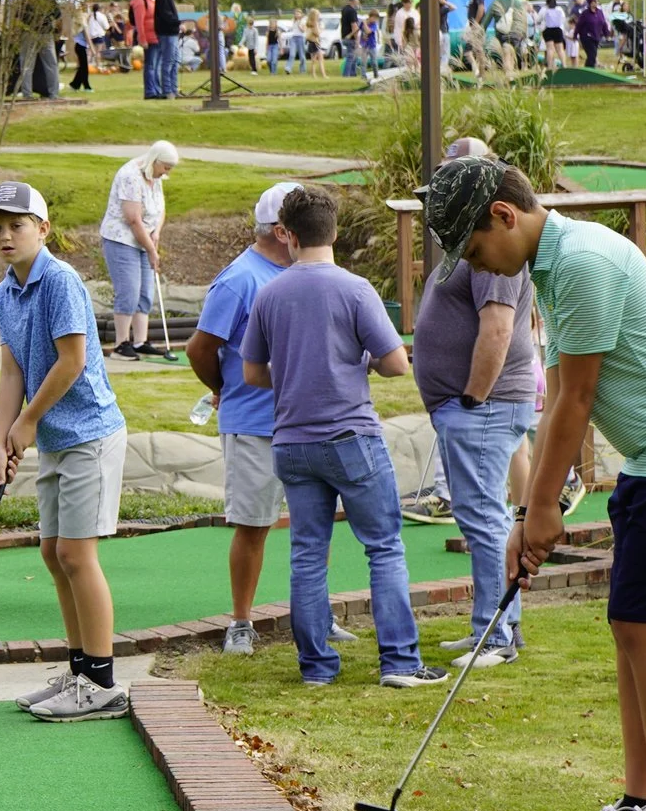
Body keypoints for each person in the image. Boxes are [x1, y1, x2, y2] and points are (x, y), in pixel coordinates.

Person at [429, 155, 646, 811]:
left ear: (503, 216)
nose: (478, 264)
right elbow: (554, 404)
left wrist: (544, 510)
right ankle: (642, 800)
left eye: (476, 248)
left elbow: (578, 399)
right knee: (627, 622)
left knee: (643, 621)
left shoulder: (579, 262)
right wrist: (528, 512)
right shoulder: (548, 266)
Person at [239, 184, 434, 690]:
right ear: (336, 232)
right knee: (384, 547)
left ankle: (317, 669)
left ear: (287, 235)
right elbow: (395, 363)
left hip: (290, 442)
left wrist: (294, 370)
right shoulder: (354, 289)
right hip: (351, 437)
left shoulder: (270, 293)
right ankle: (399, 662)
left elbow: (253, 372)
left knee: (307, 553)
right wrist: (359, 361)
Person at [0, 180, 131, 722]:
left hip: (89, 432)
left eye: (16, 225)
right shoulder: (5, 291)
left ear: (42, 229)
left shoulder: (60, 281)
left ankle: (102, 681)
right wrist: (2, 439)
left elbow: (70, 362)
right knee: (51, 552)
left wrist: (27, 421)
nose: (5, 236)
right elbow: (11, 368)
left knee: (74, 554)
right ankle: (77, 672)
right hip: (55, 439)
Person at [413, 137, 537, 670]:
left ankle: (498, 635)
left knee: (484, 519)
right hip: (476, 408)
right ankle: (493, 625)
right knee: (481, 516)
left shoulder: (490, 249)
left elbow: (498, 328)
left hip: (483, 407)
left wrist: (470, 399)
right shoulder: (472, 240)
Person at [189, 182, 299, 655]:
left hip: (301, 422)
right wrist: (222, 389)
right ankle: (240, 622)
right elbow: (200, 348)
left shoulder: (303, 271)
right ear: (281, 230)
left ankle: (315, 614)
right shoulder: (239, 280)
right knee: (254, 524)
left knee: (312, 524)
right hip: (253, 424)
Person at [99, 141, 177, 361]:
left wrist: (156, 234)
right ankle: (120, 345)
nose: (167, 172)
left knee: (145, 292)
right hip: (122, 240)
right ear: (155, 161)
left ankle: (140, 342)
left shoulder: (155, 176)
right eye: (166, 167)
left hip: (145, 239)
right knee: (129, 291)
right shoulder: (130, 176)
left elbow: (160, 209)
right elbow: (133, 219)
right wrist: (152, 250)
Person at [150, 0, 182, 98]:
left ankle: (174, 89)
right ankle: (167, 90)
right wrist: (177, 22)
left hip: (172, 31)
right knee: (168, 62)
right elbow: (164, 13)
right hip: (167, 32)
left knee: (175, 61)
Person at [574, 0, 610, 71]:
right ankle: (590, 70)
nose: (596, 3)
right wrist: (575, 35)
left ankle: (587, 70)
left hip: (596, 37)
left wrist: (607, 34)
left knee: (592, 55)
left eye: (597, 1)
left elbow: (603, 23)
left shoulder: (600, 12)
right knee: (592, 55)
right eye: (594, 1)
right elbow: (579, 25)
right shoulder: (585, 14)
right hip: (586, 37)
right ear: (590, 2)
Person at [536, 0, 569, 70]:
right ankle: (564, 65)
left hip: (548, 30)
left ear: (547, 2)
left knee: (550, 49)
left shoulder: (544, 9)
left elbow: (538, 20)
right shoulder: (559, 9)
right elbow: (563, 19)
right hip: (558, 30)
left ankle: (550, 66)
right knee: (560, 49)